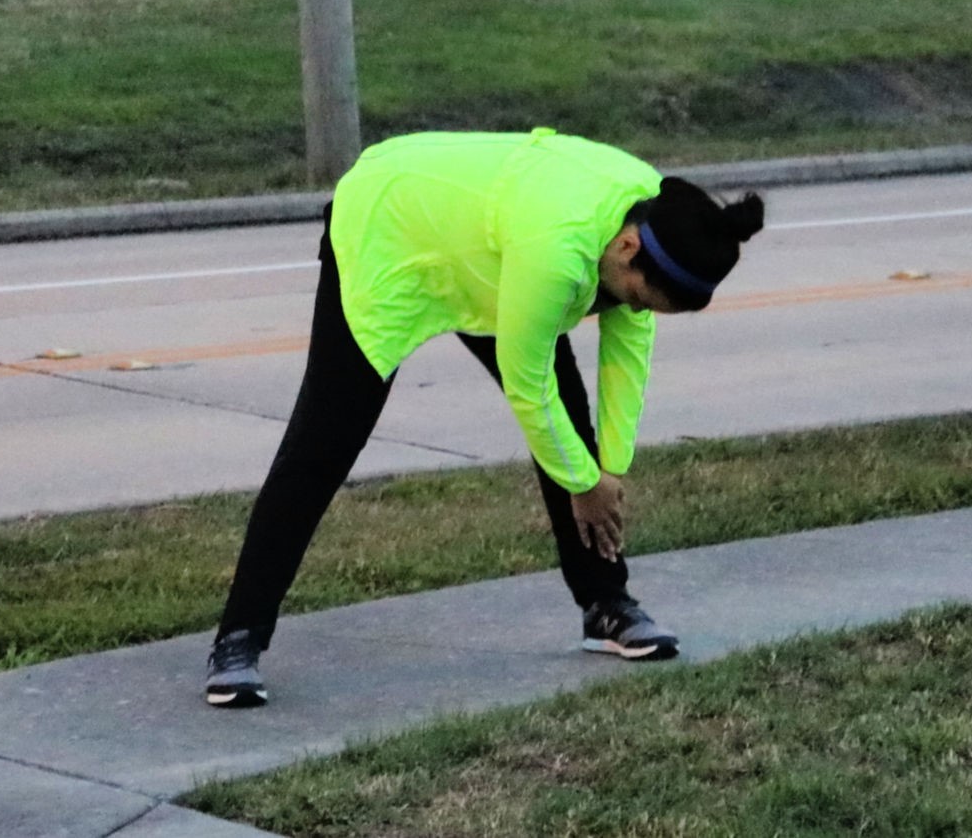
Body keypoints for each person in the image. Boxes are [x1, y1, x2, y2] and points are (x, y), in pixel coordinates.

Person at [204, 127, 765, 708]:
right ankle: (239, 638)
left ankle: (605, 605)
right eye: (638, 297)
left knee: (571, 434)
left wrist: (609, 471)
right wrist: (582, 481)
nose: (631, 309)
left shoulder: (659, 218)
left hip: (491, 251)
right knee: (324, 443)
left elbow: (627, 361)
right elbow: (529, 386)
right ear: (626, 248)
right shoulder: (561, 248)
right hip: (394, 229)